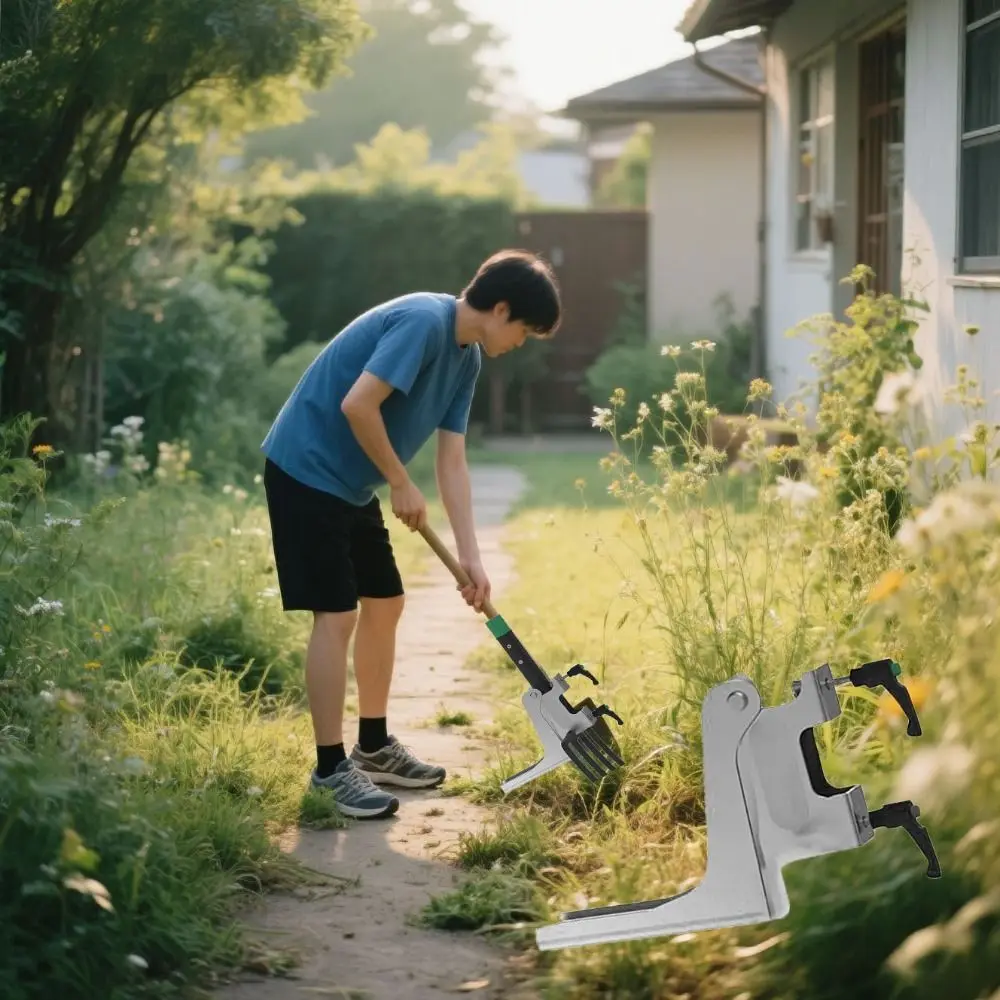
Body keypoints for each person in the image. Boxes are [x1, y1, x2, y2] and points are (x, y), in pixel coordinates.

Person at [260, 249, 562, 819]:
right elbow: (358, 404)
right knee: (338, 613)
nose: (521, 343)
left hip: (348, 485)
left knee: (387, 602)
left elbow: (452, 463)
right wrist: (400, 481)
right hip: (304, 468)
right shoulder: (424, 321)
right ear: (500, 309)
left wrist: (471, 558)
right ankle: (329, 770)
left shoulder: (467, 360)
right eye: (524, 330)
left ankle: (372, 747)